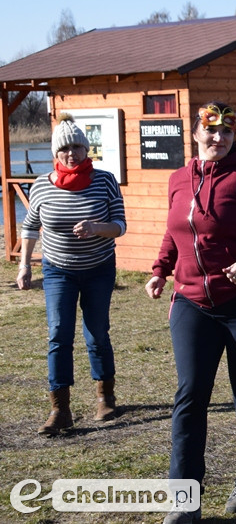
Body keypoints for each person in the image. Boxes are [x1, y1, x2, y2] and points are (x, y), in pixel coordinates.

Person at [145, 101, 236, 523]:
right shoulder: (177, 180)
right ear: (195, 133)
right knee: (189, 397)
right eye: (211, 131)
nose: (219, 138)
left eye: (227, 132)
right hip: (191, 303)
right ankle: (185, 499)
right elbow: (175, 233)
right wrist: (159, 271)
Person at [17, 114, 127, 435]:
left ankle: (105, 397)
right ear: (56, 153)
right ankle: (60, 409)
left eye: (78, 146)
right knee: (59, 334)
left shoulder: (104, 180)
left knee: (96, 333)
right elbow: (30, 226)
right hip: (57, 271)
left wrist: (96, 228)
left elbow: (120, 226)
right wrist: (24, 264)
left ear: (86, 148)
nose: (72, 154)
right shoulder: (41, 185)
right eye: (65, 148)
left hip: (98, 269)